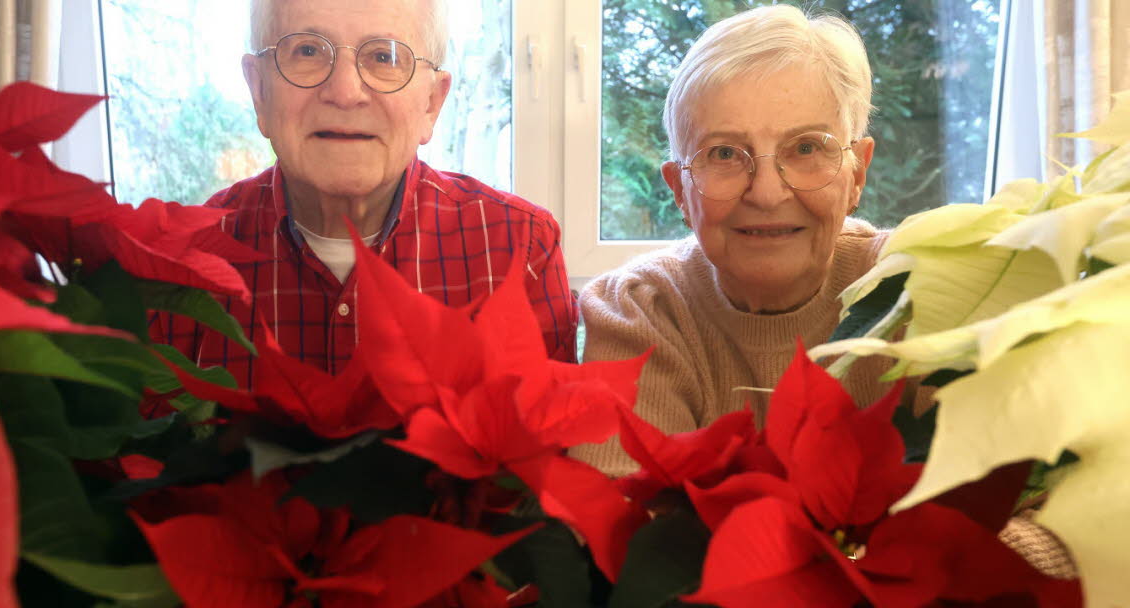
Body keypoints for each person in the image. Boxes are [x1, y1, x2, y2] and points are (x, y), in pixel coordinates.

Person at [151, 0, 577, 386]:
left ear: (432, 103)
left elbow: (545, 461)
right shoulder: (179, 265)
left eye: (383, 56)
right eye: (308, 51)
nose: (345, 93)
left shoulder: (521, 249)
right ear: (259, 92)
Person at [569, 5, 893, 476]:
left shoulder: (917, 288)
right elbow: (619, 530)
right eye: (723, 153)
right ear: (679, 190)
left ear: (857, 172)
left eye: (806, 148)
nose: (766, 193)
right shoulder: (641, 310)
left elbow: (1030, 509)